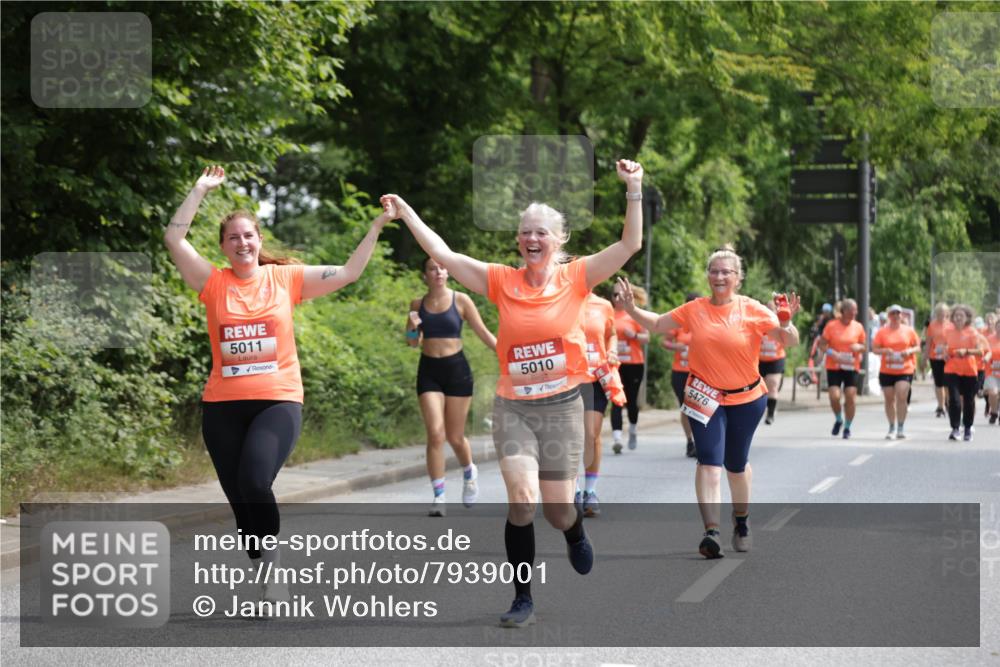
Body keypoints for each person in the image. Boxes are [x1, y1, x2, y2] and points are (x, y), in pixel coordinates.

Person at [381, 158, 644, 627]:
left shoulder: (577, 276)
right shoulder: (501, 281)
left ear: (558, 239)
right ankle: (523, 596)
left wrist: (634, 188)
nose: (531, 239)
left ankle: (574, 532)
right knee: (522, 500)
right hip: (515, 407)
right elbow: (444, 253)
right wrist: (407, 212)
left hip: (563, 404)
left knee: (559, 511)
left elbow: (630, 243)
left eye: (541, 232)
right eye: (525, 232)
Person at [164, 166, 390, 603]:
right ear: (224, 247)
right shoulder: (211, 283)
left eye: (249, 235)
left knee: (253, 481)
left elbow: (347, 272)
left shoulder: (285, 279)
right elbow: (174, 239)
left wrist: (377, 225)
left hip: (277, 401)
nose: (243, 243)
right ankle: (260, 565)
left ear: (260, 240)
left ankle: (272, 568)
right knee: (239, 502)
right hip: (222, 408)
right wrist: (199, 190)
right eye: (234, 238)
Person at [617, 246, 800, 559]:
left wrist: (785, 323)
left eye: (726, 272)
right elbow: (659, 324)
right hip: (704, 396)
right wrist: (632, 310)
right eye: (714, 271)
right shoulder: (696, 309)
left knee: (736, 465)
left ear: (737, 278)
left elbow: (789, 341)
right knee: (709, 463)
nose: (719, 276)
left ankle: (741, 520)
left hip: (747, 398)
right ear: (708, 276)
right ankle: (711, 531)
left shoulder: (752, 309)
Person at [406, 258, 496, 516]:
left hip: (457, 371)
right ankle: (439, 496)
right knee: (435, 434)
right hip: (429, 372)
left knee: (455, 437)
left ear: (448, 272)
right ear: (425, 275)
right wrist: (413, 327)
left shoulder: (461, 301)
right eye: (433, 269)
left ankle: (469, 473)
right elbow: (412, 343)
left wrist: (509, 353)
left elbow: (483, 332)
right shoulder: (417, 305)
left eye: (442, 268)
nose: (438, 272)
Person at [575, 289, 622, 516]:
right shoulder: (557, 300)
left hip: (596, 377)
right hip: (567, 378)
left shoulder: (603, 305)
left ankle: (590, 491)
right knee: (567, 434)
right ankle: (571, 489)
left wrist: (612, 349)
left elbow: (611, 333)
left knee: (591, 433)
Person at [816, 298, 866, 439]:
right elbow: (822, 344)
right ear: (844, 311)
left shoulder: (858, 327)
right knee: (834, 396)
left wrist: (859, 347)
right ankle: (839, 419)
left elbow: (865, 346)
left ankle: (847, 427)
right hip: (834, 365)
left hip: (851, 366)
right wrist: (833, 354)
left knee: (850, 397)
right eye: (852, 310)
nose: (855, 313)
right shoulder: (832, 325)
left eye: (856, 310)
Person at [871, 304, 921, 439]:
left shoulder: (908, 331)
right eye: (892, 314)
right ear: (889, 316)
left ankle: (900, 426)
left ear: (901, 315)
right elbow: (874, 349)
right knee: (889, 399)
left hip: (905, 368)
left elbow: (917, 347)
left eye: (898, 313)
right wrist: (885, 351)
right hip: (887, 369)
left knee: (902, 395)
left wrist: (909, 351)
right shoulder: (882, 332)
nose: (895, 316)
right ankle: (891, 427)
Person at [610, 283, 649, 451]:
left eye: (620, 295)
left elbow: (647, 338)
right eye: (614, 295)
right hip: (613, 363)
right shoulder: (608, 314)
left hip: (634, 363)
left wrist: (634, 336)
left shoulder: (635, 314)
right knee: (616, 399)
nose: (617, 298)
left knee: (631, 401)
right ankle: (617, 438)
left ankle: (633, 430)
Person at [662, 292, 700, 456]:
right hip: (680, 372)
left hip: (700, 374)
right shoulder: (678, 323)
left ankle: (700, 443)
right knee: (686, 409)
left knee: (697, 409)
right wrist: (675, 347)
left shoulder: (704, 323)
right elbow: (664, 341)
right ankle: (690, 442)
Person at [944, 304, 989, 441]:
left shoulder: (972, 332)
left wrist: (967, 351)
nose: (958, 318)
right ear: (952, 318)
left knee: (969, 401)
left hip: (969, 371)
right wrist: (945, 353)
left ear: (967, 318)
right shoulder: (948, 331)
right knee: (955, 400)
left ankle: (968, 428)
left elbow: (980, 351)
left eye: (961, 316)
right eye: (956, 315)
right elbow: (945, 347)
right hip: (952, 370)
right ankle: (955, 429)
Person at [758, 298, 787, 426]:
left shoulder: (781, 324)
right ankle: (764, 408)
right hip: (759, 360)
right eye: (767, 309)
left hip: (776, 359)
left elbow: (789, 338)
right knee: (761, 389)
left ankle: (770, 414)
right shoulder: (759, 323)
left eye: (772, 310)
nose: (770, 312)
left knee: (773, 384)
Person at [924, 303, 954, 418]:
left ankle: (948, 402)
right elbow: (928, 342)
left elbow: (954, 341)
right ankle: (940, 406)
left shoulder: (951, 326)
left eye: (943, 313)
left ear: (947, 313)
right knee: (938, 382)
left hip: (948, 358)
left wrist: (947, 347)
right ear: (936, 313)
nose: (941, 315)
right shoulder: (932, 325)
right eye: (939, 313)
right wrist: (925, 357)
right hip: (935, 357)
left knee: (948, 383)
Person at [985, 317, 1000, 424]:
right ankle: (994, 412)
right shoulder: (989, 339)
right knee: (993, 392)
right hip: (991, 371)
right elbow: (985, 351)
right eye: (998, 327)